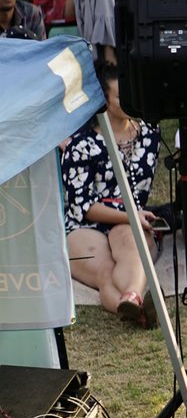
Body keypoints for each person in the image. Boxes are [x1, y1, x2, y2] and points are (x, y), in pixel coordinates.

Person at [60, 60, 163, 322]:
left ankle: (131, 298)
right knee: (105, 270)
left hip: (129, 220)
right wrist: (130, 216)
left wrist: (131, 218)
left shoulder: (150, 135)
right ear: (103, 101)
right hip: (84, 224)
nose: (129, 101)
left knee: (133, 243)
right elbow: (81, 207)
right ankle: (134, 308)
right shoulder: (81, 145)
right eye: (120, 96)